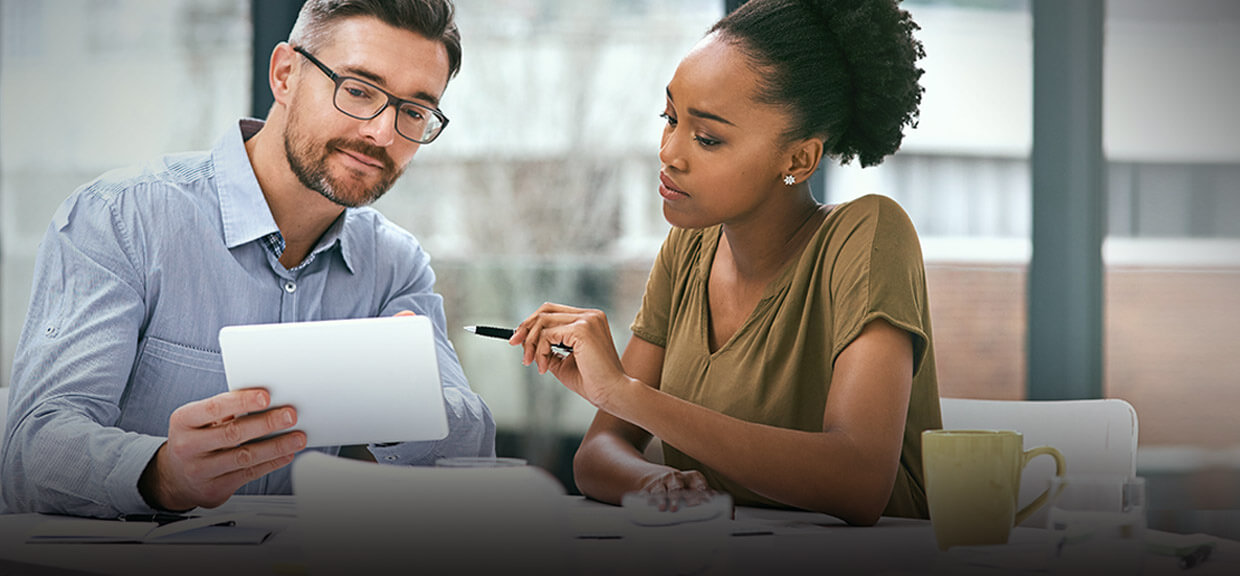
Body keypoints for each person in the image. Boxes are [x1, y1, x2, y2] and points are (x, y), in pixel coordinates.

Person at [1, 0, 494, 517]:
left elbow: (468, 456)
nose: (383, 134)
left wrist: (412, 403)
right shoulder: (122, 219)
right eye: (358, 91)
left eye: (413, 111)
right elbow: (33, 451)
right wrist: (164, 473)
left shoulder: (395, 265)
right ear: (284, 74)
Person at [512, 0, 939, 525]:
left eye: (708, 138)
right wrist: (665, 485)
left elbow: (859, 481)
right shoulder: (689, 249)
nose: (670, 151)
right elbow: (598, 455)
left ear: (798, 160)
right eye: (670, 118)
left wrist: (627, 394)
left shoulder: (868, 236)